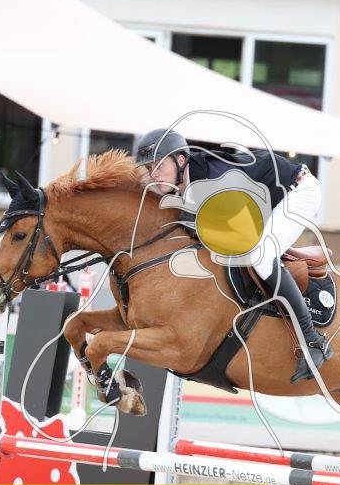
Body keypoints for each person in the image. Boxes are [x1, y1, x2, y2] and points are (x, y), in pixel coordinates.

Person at [132, 128, 328, 382]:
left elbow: (242, 231)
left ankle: (313, 341)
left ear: (180, 160)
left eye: (159, 166)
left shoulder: (213, 178)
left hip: (300, 191)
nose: (154, 174)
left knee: (261, 256)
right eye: (150, 168)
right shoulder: (186, 183)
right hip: (268, 199)